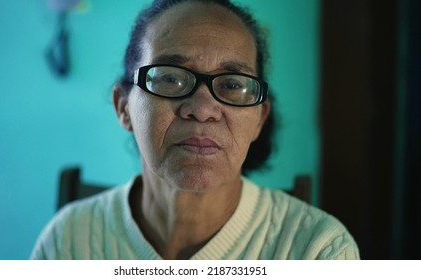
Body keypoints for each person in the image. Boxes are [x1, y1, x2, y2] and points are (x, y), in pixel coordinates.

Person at [31, 0, 360, 260]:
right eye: (170, 78)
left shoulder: (319, 252)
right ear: (123, 106)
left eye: (233, 84)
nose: (202, 109)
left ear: (260, 118)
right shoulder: (69, 242)